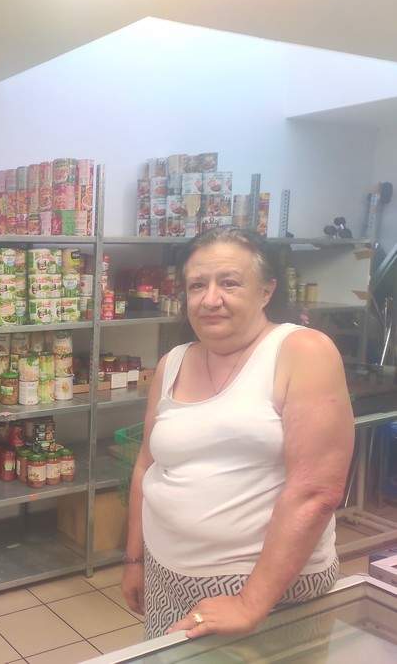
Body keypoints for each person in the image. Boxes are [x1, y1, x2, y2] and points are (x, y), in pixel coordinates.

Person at [121, 227, 354, 639]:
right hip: (166, 576)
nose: (210, 299)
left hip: (267, 587)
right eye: (197, 285)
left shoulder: (302, 351)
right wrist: (134, 560)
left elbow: (316, 492)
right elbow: (146, 465)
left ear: (266, 291)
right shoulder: (173, 362)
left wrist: (250, 603)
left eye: (229, 283)